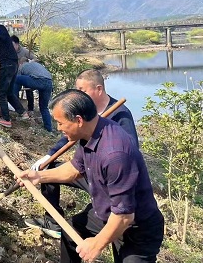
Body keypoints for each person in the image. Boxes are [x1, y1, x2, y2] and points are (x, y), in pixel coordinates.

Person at [19, 90, 164, 263]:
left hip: (136, 227)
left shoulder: (115, 154)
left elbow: (124, 217)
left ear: (78, 120)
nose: (58, 128)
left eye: (60, 123)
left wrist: (97, 244)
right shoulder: (90, 133)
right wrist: (39, 176)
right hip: (108, 211)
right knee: (73, 231)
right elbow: (74, 169)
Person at [25, 69, 138, 238]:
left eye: (83, 90)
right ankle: (53, 222)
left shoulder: (120, 113)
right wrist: (50, 155)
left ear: (99, 89)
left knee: (99, 215)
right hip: (86, 169)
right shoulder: (82, 112)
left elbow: (131, 149)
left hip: (108, 178)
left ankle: (99, 222)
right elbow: (70, 134)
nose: (79, 94)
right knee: (49, 170)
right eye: (77, 89)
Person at [0, 16, 29, 128]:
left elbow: (3, 37)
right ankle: (22, 112)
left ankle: (6, 119)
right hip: (11, 65)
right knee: (8, 93)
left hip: (7, 65)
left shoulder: (1, 29)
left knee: (1, 93)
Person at [13, 60, 53, 132]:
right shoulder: (35, 66)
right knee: (44, 107)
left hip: (38, 80)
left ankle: (13, 100)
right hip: (49, 82)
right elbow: (30, 87)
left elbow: (19, 81)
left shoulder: (22, 66)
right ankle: (49, 128)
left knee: (16, 78)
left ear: (20, 63)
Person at [11, 35, 37, 114]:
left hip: (25, 75)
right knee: (14, 89)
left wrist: (28, 62)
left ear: (17, 44)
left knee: (29, 90)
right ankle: (15, 107)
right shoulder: (10, 51)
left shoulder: (25, 51)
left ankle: (30, 109)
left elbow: (35, 58)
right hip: (16, 75)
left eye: (13, 45)